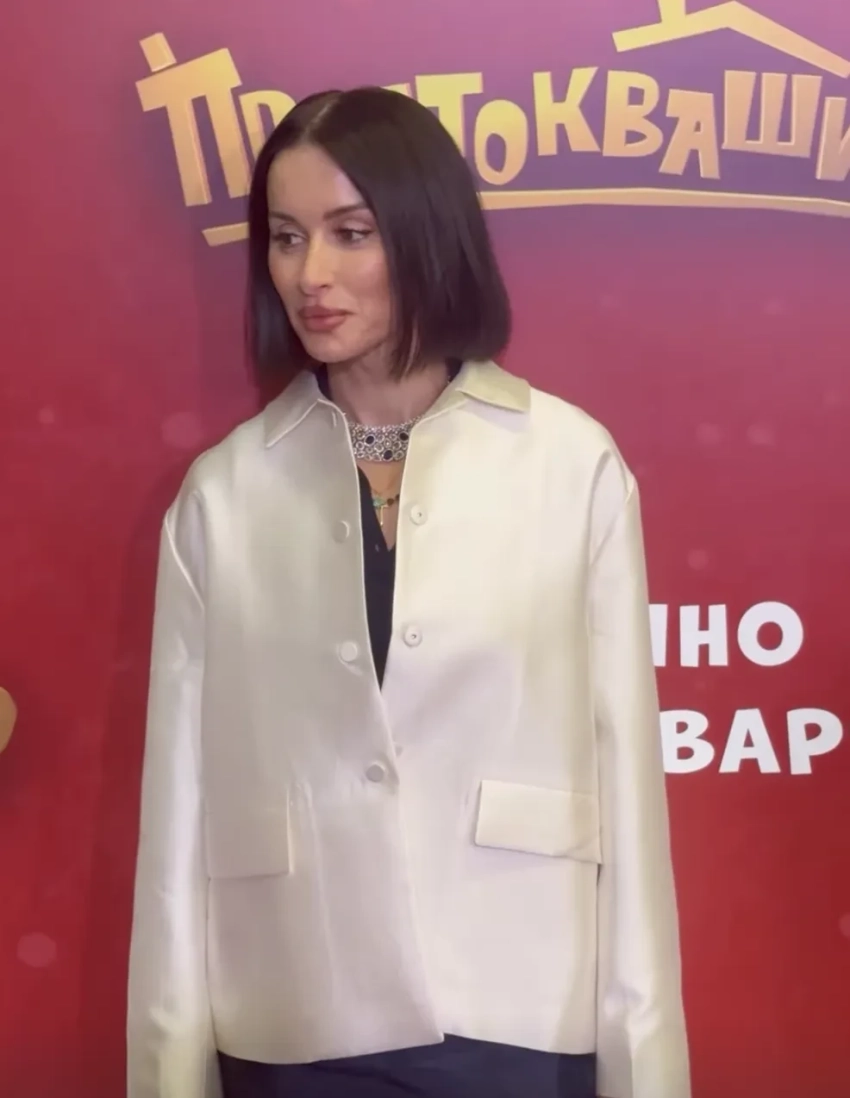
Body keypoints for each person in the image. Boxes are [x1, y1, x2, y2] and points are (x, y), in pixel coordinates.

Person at [127, 87, 690, 1098]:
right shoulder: (224, 493)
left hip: (515, 1006)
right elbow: (178, 809)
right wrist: (169, 1068)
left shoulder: (569, 465)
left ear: (428, 236)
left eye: (352, 234)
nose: (311, 274)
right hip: (294, 1013)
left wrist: (644, 1062)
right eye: (286, 237)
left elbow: (629, 783)